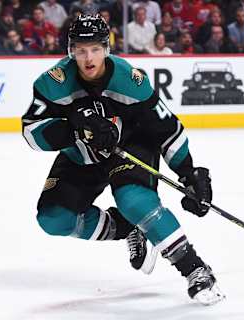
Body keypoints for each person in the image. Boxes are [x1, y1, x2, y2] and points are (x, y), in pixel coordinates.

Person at [22, 14, 224, 306]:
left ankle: (195, 269)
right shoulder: (53, 83)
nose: (88, 57)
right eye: (80, 49)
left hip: (129, 147)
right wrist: (74, 127)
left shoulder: (130, 80)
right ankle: (128, 228)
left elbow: (166, 128)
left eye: (94, 49)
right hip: (81, 153)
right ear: (71, 51)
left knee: (134, 201)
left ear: (106, 48)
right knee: (54, 219)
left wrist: (188, 171)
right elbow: (31, 133)